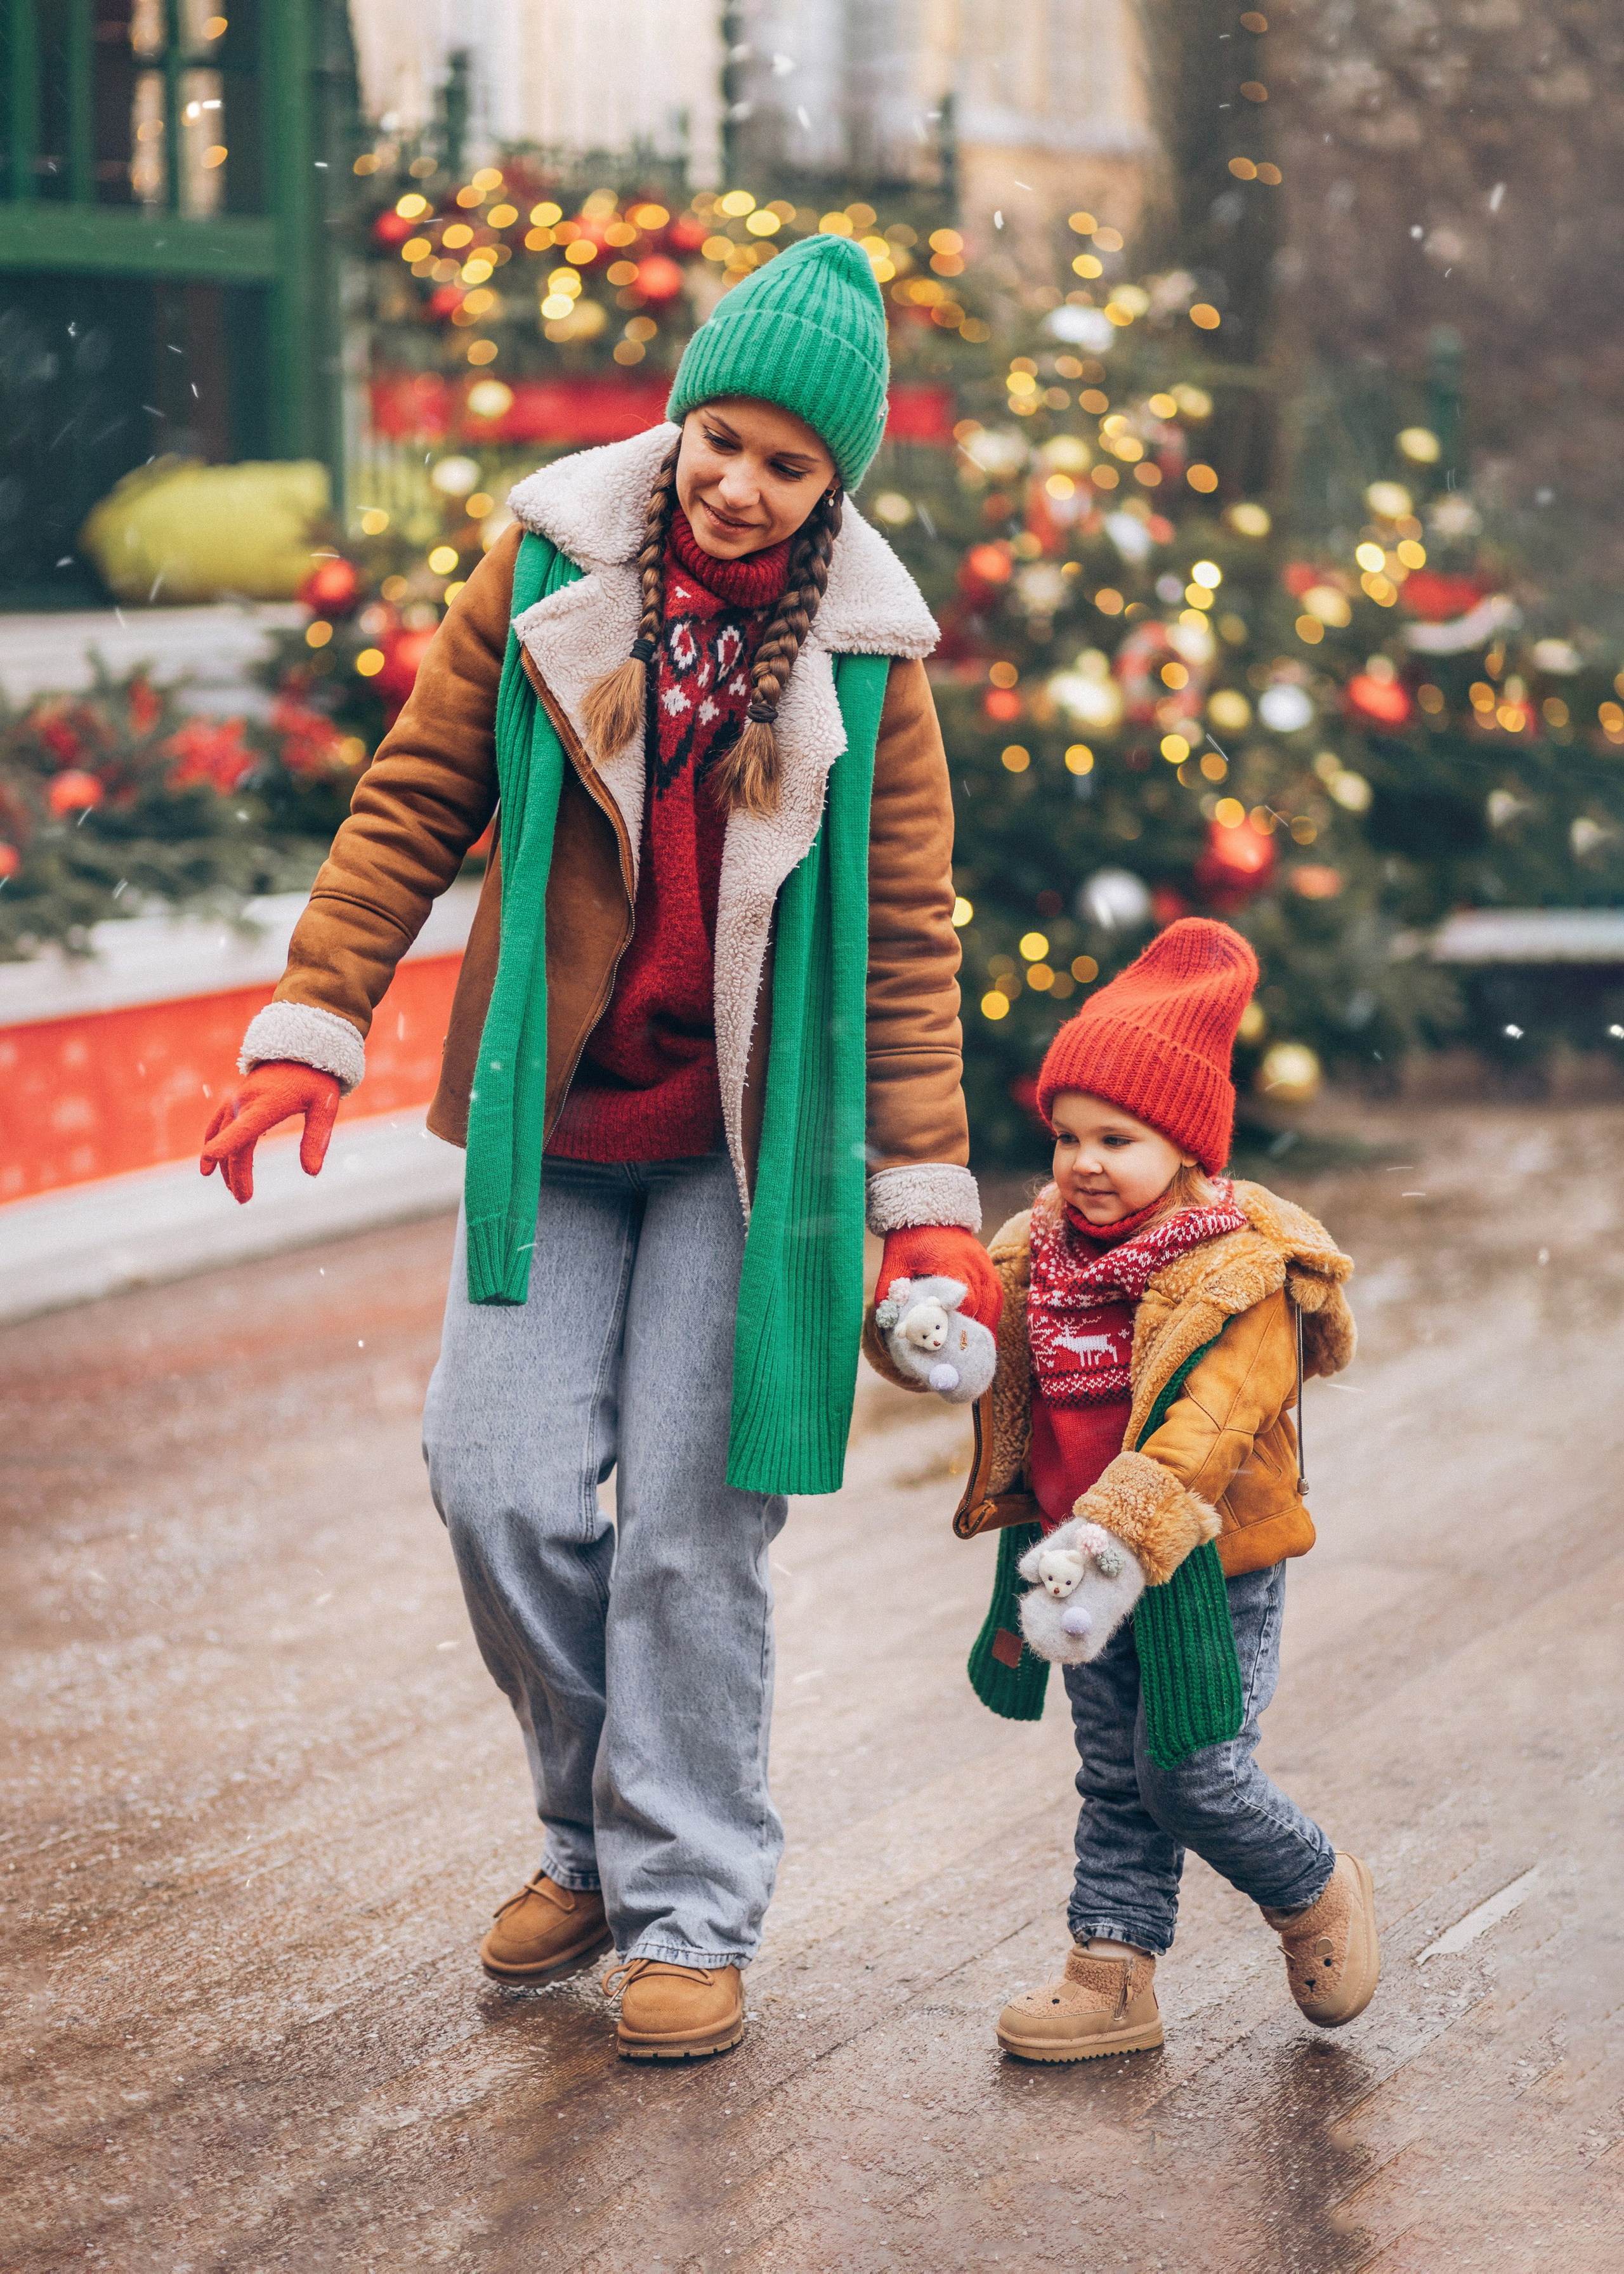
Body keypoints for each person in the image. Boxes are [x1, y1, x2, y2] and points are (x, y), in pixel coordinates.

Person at [197, 233, 999, 2063]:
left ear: (832, 489)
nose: (741, 483)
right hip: (553, 1127)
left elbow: (912, 940)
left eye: (790, 466)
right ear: (681, 419)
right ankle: (587, 1830)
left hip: (744, 1153)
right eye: (723, 439)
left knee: (687, 1547)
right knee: (498, 1488)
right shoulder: (550, 569)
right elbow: (416, 796)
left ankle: (690, 1908)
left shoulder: (870, 668)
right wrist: (311, 1027)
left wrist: (926, 1204)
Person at [866, 917, 1378, 2061]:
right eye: (1067, 1136)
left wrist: (1115, 1536)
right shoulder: (1035, 1251)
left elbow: (1203, 1435)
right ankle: (1111, 1973)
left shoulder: (1237, 1274)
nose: (1085, 1163)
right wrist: (921, 1337)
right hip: (1074, 1565)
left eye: (1119, 1139)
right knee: (1112, 1775)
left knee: (1189, 1769)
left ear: (1187, 1149)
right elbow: (976, 1342)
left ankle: (1312, 1886)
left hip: (1201, 1563)